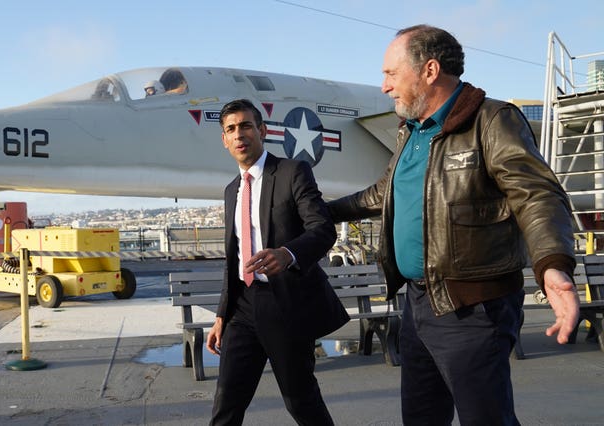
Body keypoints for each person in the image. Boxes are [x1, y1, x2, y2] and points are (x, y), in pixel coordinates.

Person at [327, 24, 580, 425]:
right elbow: (383, 194)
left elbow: (536, 195)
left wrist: (553, 265)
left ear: (429, 70)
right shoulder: (410, 132)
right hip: (418, 304)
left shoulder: (492, 120)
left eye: (391, 74)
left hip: (473, 308)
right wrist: (324, 212)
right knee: (422, 417)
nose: (384, 86)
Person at [206, 99, 349, 425]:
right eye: (231, 129)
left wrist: (288, 254)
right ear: (225, 140)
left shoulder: (292, 171)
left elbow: (323, 229)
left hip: (286, 304)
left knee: (300, 401)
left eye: (245, 126)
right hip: (242, 307)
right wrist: (220, 316)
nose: (239, 134)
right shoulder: (232, 190)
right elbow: (235, 259)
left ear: (262, 131)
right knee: (226, 402)